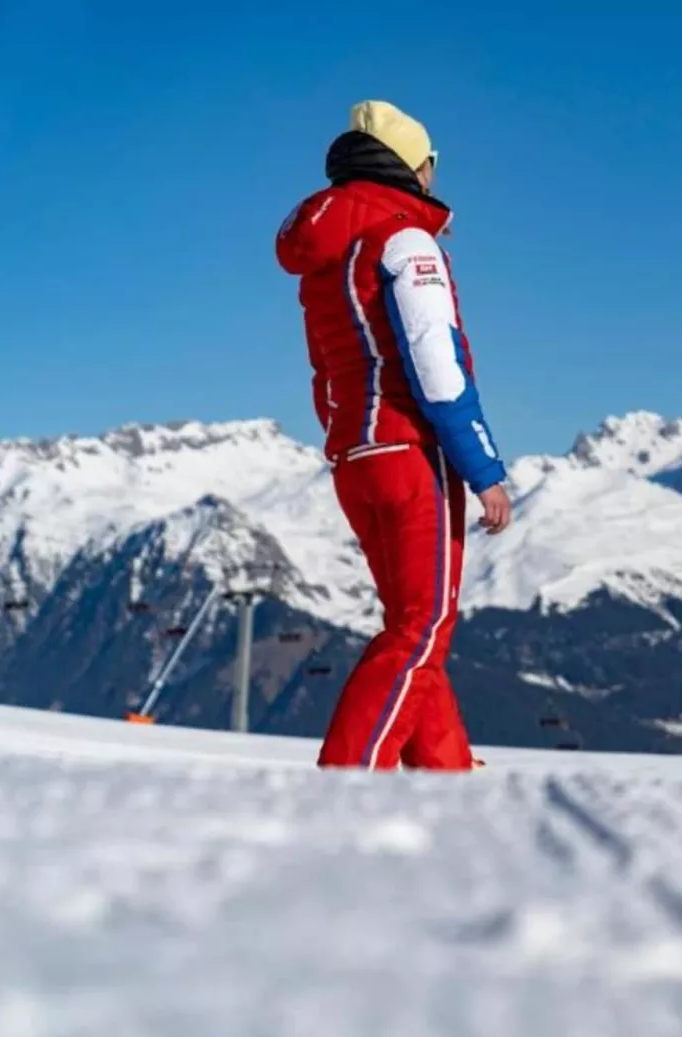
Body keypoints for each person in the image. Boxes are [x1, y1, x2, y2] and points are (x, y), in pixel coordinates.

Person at [276, 101, 512, 771]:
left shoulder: (327, 256)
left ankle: (448, 775)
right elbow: (437, 361)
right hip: (411, 453)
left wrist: (354, 439)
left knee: (411, 623)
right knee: (423, 626)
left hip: (356, 455)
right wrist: (482, 467)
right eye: (432, 163)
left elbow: (331, 367)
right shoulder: (407, 242)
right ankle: (350, 780)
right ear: (415, 167)